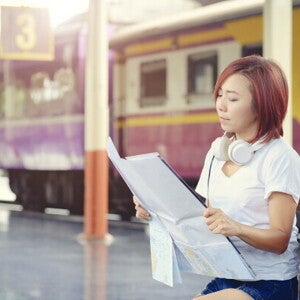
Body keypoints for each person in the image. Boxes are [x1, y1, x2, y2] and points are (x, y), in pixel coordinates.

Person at [133, 55, 300, 300]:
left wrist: (236, 227)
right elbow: (204, 219)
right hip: (229, 275)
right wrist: (156, 211)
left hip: (271, 283)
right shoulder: (217, 151)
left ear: (261, 105)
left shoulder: (280, 157)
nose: (220, 105)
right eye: (220, 94)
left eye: (232, 98)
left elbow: (279, 240)